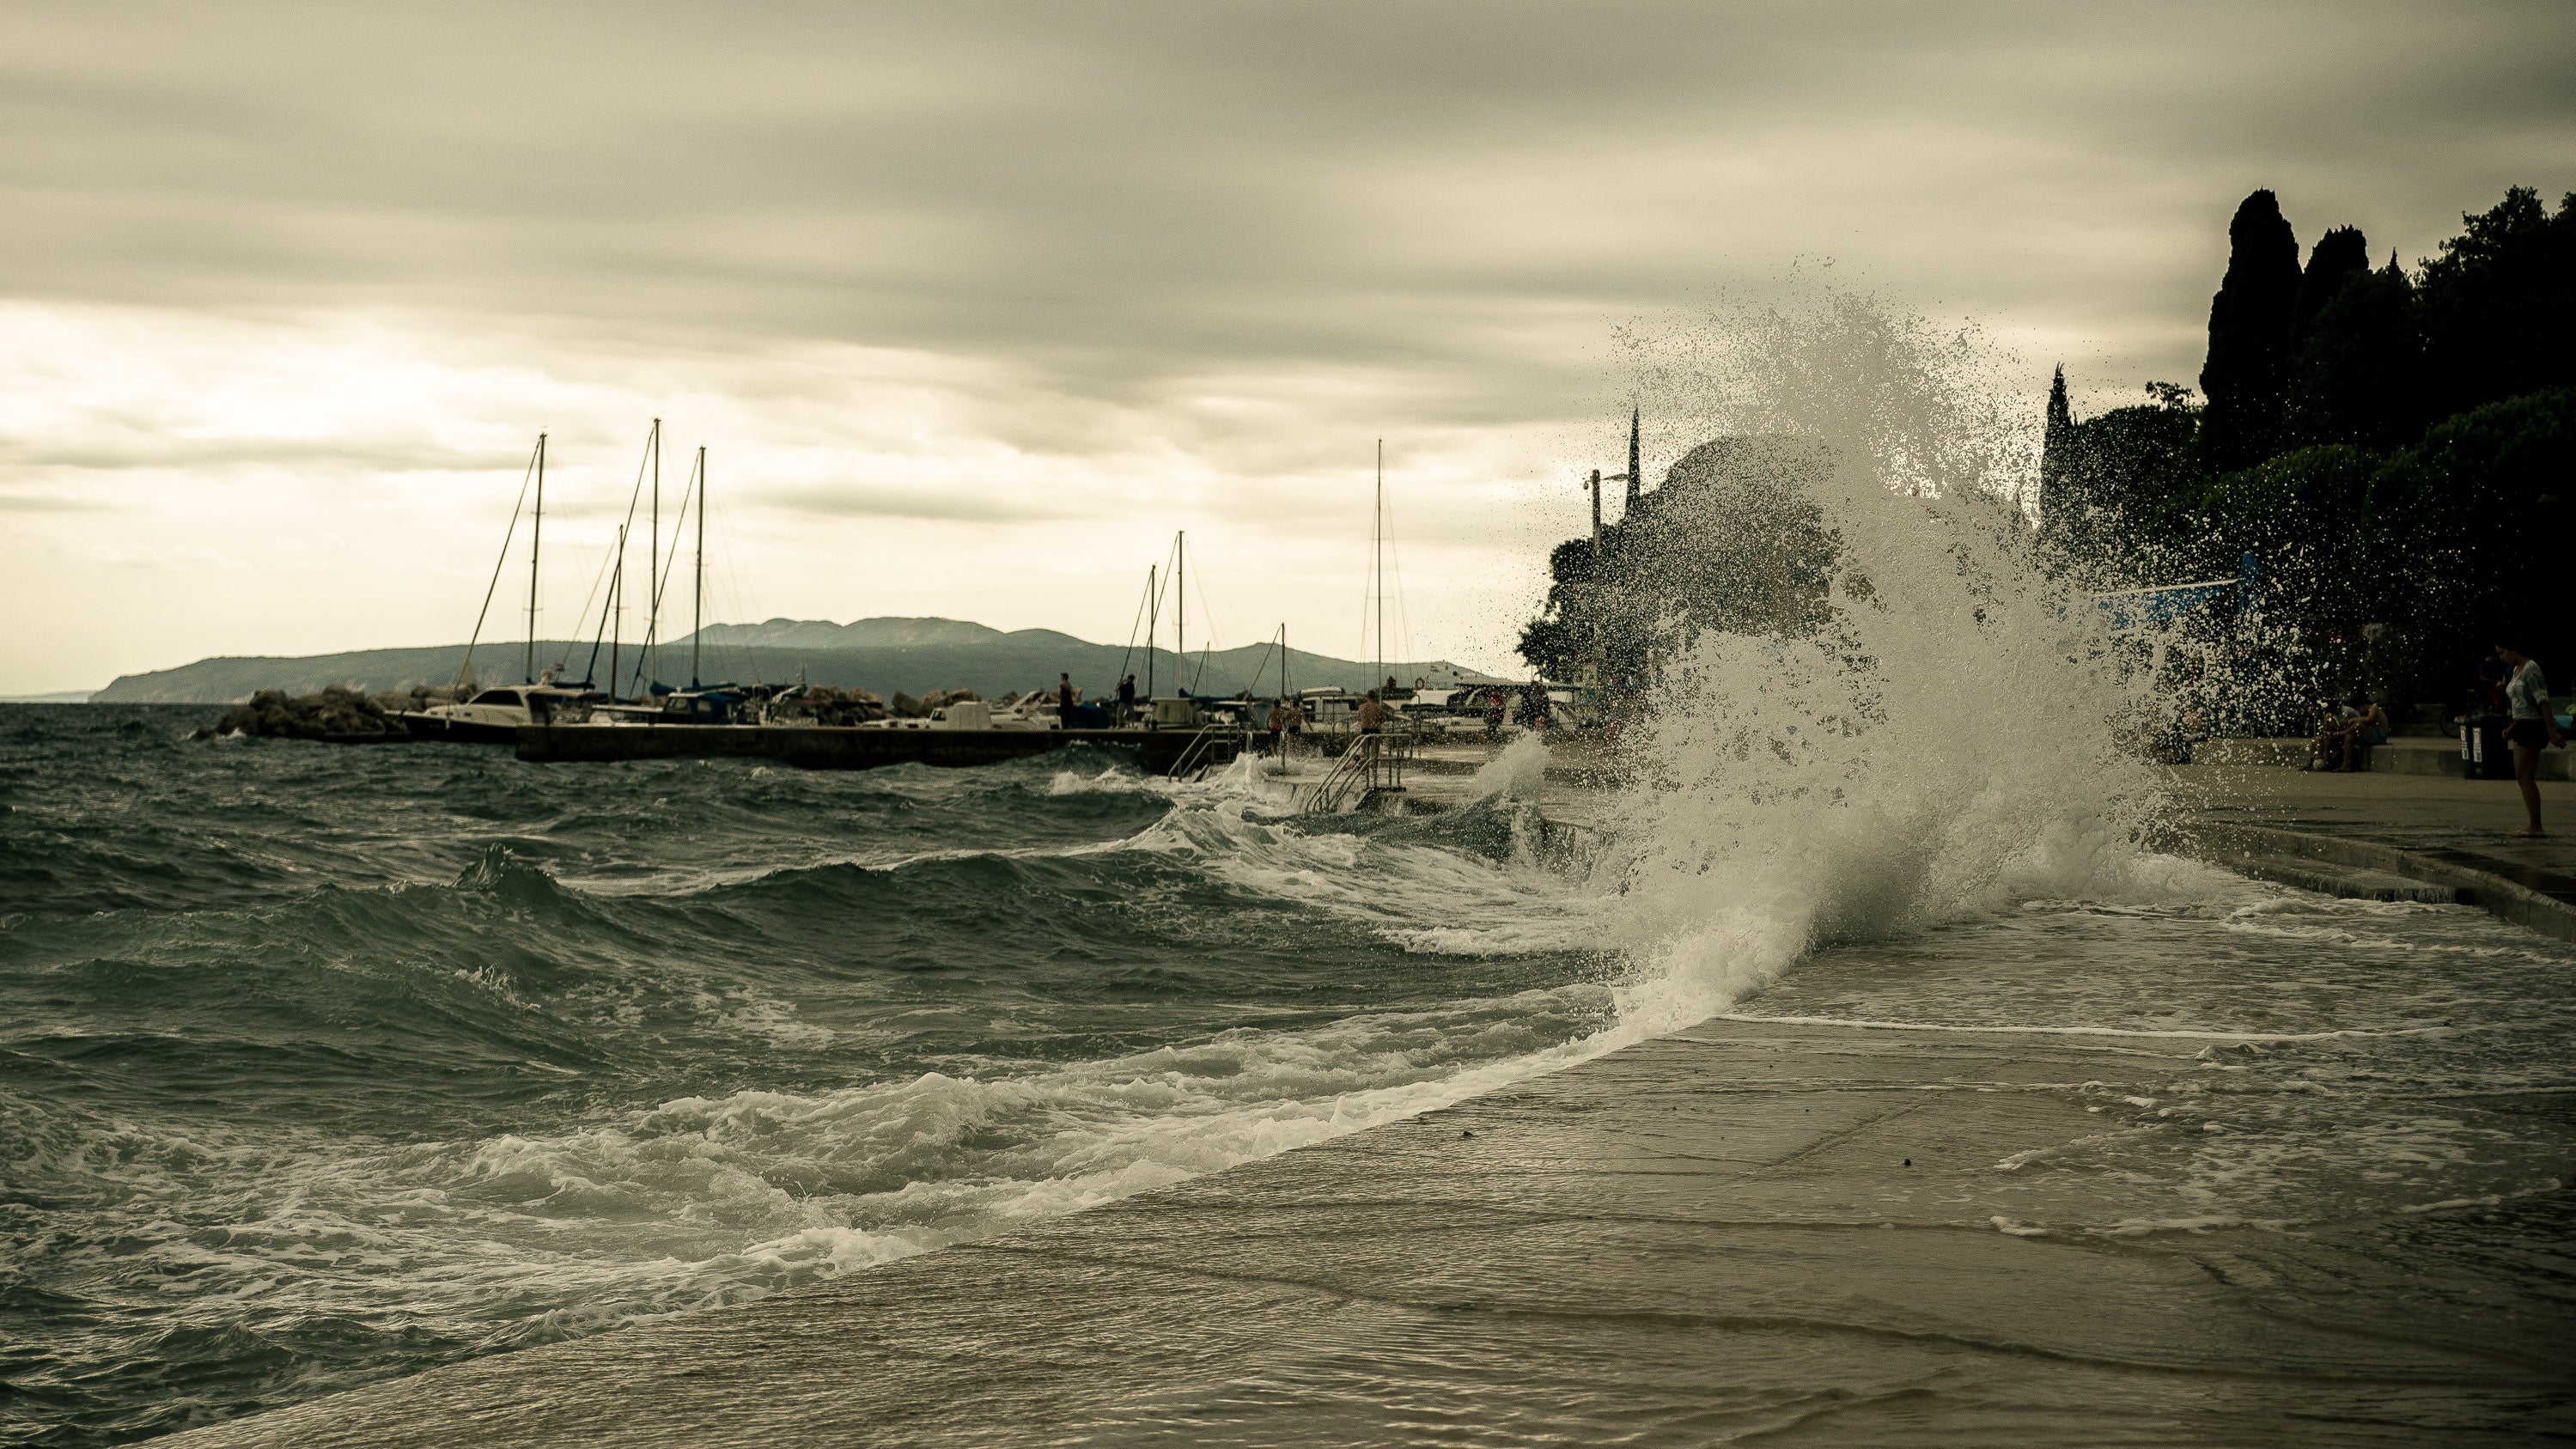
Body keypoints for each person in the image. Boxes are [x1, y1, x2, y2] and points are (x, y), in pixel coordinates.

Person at [2498, 640, 2565, 837]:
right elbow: (2522, 704)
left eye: (2502, 652)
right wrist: (2512, 726)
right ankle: (2533, 824)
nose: (2501, 657)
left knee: (2525, 776)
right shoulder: (2515, 670)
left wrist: (2552, 732)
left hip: (2532, 726)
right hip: (2521, 725)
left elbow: (2543, 701)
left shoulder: (2531, 669)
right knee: (2521, 776)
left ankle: (2536, 826)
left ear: (2513, 648)